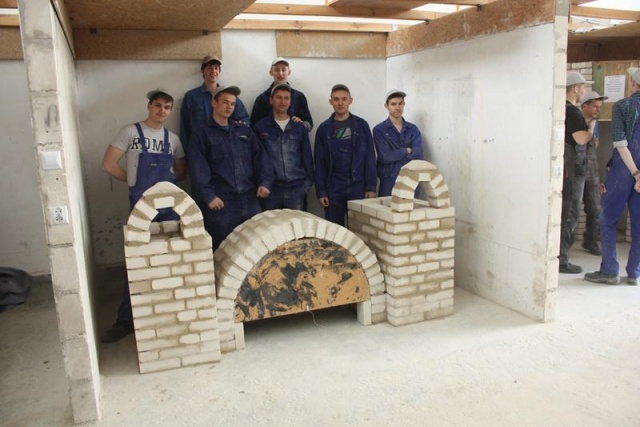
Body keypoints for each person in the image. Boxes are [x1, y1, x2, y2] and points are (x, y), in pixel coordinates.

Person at [100, 89, 186, 342]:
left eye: (167, 107)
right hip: (141, 208)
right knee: (137, 261)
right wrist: (133, 181)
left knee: (171, 260)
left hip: (168, 209)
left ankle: (170, 314)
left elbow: (181, 171)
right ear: (149, 106)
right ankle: (126, 320)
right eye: (157, 105)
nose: (162, 111)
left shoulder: (173, 139)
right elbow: (108, 165)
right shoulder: (130, 132)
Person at [187, 86, 273, 251]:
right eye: (225, 102)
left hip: (249, 200)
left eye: (232, 104)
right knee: (223, 251)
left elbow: (260, 158)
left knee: (255, 249)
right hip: (221, 203)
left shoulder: (244, 131)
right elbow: (198, 167)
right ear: (214, 103)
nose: (229, 107)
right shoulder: (202, 134)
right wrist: (209, 196)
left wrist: (265, 182)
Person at [585, 67, 640, 285]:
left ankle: (609, 271)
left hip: (623, 168)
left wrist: (635, 172)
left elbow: (620, 143)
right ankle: (634, 273)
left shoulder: (623, 106)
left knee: (608, 219)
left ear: (633, 83)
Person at [314, 84, 377, 226]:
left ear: (350, 100)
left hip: (358, 187)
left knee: (358, 230)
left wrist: (371, 187)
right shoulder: (323, 129)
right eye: (336, 99)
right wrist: (321, 191)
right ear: (331, 102)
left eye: (344, 99)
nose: (340, 103)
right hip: (333, 188)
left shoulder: (362, 125)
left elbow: (370, 158)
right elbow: (319, 163)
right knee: (335, 232)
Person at [253, 83, 314, 211]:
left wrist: (305, 186)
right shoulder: (261, 127)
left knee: (295, 224)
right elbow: (256, 159)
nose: (283, 101)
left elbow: (307, 158)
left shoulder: (299, 127)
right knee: (271, 224)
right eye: (279, 97)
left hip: (296, 189)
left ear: (290, 101)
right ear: (271, 100)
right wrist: (261, 183)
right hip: (271, 190)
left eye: (286, 98)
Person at [559, 71, 597, 274]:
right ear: (575, 88)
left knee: (567, 213)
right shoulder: (573, 112)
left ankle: (559, 256)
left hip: (568, 170)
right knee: (571, 214)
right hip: (573, 171)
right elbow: (581, 139)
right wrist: (591, 129)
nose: (585, 91)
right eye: (583, 87)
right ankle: (562, 260)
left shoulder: (561, 109)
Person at [373, 89, 424, 197]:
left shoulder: (413, 129)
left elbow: (418, 155)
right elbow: (385, 157)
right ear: (386, 106)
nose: (397, 107)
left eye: (400, 103)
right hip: (389, 181)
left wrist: (396, 155)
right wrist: (406, 150)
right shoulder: (379, 130)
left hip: (411, 179)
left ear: (404, 104)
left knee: (413, 208)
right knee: (388, 207)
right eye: (393, 104)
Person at [250, 57, 313, 132]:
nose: (280, 73)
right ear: (271, 72)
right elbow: (254, 127)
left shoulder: (299, 97)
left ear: (289, 72)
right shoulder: (262, 99)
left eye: (284, 70)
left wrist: (301, 125)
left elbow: (309, 123)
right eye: (277, 70)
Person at [580, 91, 608, 256]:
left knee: (595, 206)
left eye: (600, 107)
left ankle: (590, 240)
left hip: (591, 168)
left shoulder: (595, 123)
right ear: (585, 106)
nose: (598, 109)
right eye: (595, 106)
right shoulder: (575, 119)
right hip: (575, 166)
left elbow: (595, 143)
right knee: (571, 209)